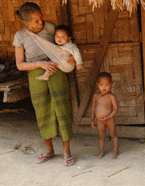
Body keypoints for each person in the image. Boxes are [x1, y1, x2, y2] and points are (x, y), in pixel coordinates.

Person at [13, 2, 76, 166]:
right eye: (35, 21)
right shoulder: (20, 36)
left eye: (41, 19)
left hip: (56, 71)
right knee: (42, 112)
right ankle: (49, 150)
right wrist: (40, 64)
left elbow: (64, 46)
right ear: (25, 23)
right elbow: (20, 65)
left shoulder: (51, 28)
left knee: (62, 109)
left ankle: (67, 151)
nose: (41, 23)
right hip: (36, 74)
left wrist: (71, 57)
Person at [91, 72, 119, 159]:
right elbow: (93, 108)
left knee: (113, 135)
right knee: (101, 136)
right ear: (97, 85)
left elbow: (115, 109)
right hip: (100, 120)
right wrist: (92, 120)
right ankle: (101, 152)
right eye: (101, 85)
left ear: (111, 85)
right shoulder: (96, 96)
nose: (104, 87)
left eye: (107, 85)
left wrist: (109, 117)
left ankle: (115, 151)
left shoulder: (111, 96)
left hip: (109, 119)